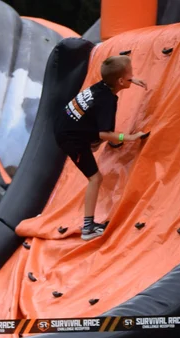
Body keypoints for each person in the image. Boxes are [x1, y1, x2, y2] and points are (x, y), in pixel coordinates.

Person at [55, 55, 148, 240]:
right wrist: (129, 137)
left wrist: (132, 80)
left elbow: (114, 77)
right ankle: (88, 228)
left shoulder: (104, 85)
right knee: (95, 178)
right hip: (70, 138)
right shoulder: (107, 101)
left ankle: (95, 141)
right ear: (121, 81)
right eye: (131, 74)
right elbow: (104, 134)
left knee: (104, 132)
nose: (133, 76)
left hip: (68, 122)